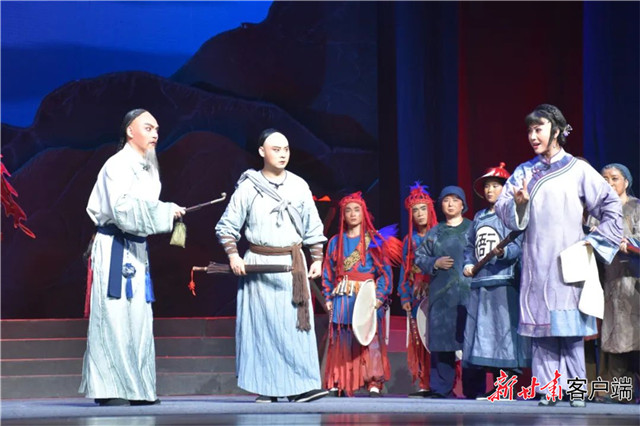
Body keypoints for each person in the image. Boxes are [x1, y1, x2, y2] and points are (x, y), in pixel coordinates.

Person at [494, 104, 623, 407]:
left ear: (556, 131)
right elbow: (503, 208)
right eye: (529, 130)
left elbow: (610, 205)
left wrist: (593, 242)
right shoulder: (524, 172)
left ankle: (576, 391)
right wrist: (519, 205)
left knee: (570, 332)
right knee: (542, 333)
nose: (532, 136)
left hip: (569, 261)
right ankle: (548, 390)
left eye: (538, 129)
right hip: (536, 262)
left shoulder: (578, 170)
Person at [80, 109, 186, 406]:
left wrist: (166, 212)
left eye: (157, 129)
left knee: (139, 318)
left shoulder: (149, 168)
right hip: (114, 246)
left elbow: (143, 211)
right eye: (148, 128)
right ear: (130, 131)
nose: (155, 134)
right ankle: (110, 389)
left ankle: (139, 388)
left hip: (137, 250)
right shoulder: (116, 165)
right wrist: (165, 211)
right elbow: (122, 209)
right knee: (113, 316)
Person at [215, 129, 328, 403]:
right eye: (276, 149)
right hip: (260, 264)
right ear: (261, 152)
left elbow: (313, 225)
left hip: (293, 264)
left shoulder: (299, 185)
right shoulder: (249, 187)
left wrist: (317, 258)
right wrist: (234, 256)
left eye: (286, 149)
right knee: (263, 329)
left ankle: (302, 386)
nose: (282, 154)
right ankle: (267, 388)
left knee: (297, 328)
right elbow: (226, 226)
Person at [321, 191, 401, 397]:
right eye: (348, 210)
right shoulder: (335, 242)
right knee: (341, 338)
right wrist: (328, 296)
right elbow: (328, 272)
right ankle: (339, 380)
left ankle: (373, 381)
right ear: (343, 215)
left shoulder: (374, 240)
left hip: (366, 295)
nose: (352, 214)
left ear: (363, 213)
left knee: (369, 337)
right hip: (343, 294)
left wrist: (379, 297)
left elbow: (385, 273)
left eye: (356, 210)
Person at [462, 162, 530, 400]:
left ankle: (507, 386)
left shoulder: (511, 213)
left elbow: (519, 245)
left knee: (504, 333)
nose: (490, 190)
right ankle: (496, 385)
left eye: (495, 186)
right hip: (481, 282)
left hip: (504, 280)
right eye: (487, 186)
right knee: (485, 335)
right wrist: (468, 264)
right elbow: (470, 245)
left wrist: (504, 253)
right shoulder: (479, 216)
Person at [414, 186, 484, 399]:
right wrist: (434, 262)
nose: (451, 204)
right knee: (442, 343)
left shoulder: (473, 228)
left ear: (463, 204)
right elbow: (419, 257)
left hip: (468, 295)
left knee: (471, 342)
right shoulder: (435, 232)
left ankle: (474, 390)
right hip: (442, 297)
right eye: (446, 200)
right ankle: (441, 388)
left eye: (455, 200)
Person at [587, 163, 639, 403]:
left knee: (634, 338)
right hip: (609, 282)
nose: (609, 183)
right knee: (616, 341)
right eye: (604, 179)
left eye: (614, 178)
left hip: (634, 281)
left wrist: (627, 242)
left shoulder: (636, 207)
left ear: (626, 182)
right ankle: (621, 396)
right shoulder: (598, 212)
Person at [397, 182, 438, 398]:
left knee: (437, 337)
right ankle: (424, 382)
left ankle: (440, 382)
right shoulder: (409, 240)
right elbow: (405, 271)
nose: (420, 214)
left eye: (423, 209)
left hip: (437, 293)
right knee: (420, 338)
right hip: (416, 295)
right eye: (415, 210)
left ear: (430, 210)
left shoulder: (440, 234)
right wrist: (404, 295)